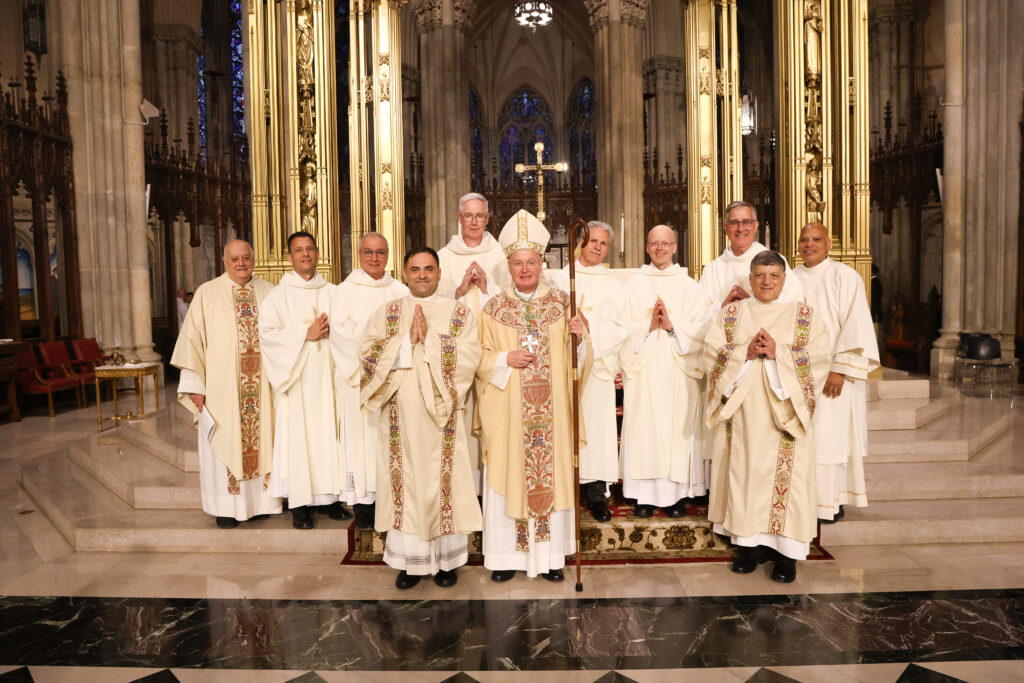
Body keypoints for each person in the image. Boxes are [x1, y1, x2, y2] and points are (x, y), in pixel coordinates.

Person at [476, 209, 592, 582]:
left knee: (550, 476)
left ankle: (551, 557)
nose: (524, 269)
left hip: (551, 417)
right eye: (517, 263)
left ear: (542, 263)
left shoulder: (562, 303)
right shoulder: (493, 309)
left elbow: (580, 361)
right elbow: (475, 357)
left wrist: (581, 336)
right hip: (510, 415)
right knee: (510, 472)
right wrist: (503, 359)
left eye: (531, 262)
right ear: (507, 266)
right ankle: (506, 558)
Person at [359, 247, 483, 590]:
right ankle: (407, 562)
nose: (423, 275)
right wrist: (403, 342)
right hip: (400, 418)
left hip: (442, 419)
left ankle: (447, 562)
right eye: (415, 269)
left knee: (444, 486)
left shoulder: (459, 314)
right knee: (406, 489)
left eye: (429, 269)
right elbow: (367, 354)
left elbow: (470, 356)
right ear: (405, 273)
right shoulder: (387, 313)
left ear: (440, 273)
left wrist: (431, 341)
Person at [703, 250, 830, 582]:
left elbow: (819, 358)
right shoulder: (730, 314)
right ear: (750, 278)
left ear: (784, 279)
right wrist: (743, 352)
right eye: (760, 275)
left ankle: (786, 557)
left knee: (788, 483)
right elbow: (711, 352)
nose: (766, 282)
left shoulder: (803, 316)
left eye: (774, 276)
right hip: (743, 413)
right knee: (745, 476)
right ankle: (749, 548)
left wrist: (780, 354)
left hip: (785, 415)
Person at [171, 240, 281, 528]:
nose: (241, 263)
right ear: (224, 261)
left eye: (246, 258)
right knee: (225, 439)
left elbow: (282, 339)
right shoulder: (207, 294)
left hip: (263, 388)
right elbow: (191, 342)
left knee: (263, 441)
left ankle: (261, 503)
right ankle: (225, 508)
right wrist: (195, 385)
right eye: (235, 259)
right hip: (221, 390)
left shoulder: (269, 293)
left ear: (253, 260)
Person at [619, 225, 713, 518]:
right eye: (654, 243)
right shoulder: (633, 286)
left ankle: (675, 496)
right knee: (644, 427)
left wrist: (672, 326)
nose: (660, 248)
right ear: (647, 247)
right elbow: (620, 331)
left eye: (665, 243)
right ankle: (643, 496)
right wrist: (647, 327)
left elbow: (703, 330)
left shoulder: (690, 287)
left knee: (676, 431)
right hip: (645, 371)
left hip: (678, 371)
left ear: (675, 247)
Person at [258, 231, 348, 529]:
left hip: (330, 378)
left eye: (310, 249)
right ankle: (299, 504)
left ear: (318, 253)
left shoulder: (334, 293)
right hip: (296, 380)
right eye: (299, 250)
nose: (305, 254)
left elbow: (349, 330)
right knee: (299, 441)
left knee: (330, 438)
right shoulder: (277, 297)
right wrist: (304, 335)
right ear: (290, 257)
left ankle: (331, 499)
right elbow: (267, 337)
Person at [794, 223, 879, 523]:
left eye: (816, 239)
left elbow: (854, 325)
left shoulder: (845, 277)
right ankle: (803, 501)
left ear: (829, 244)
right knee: (804, 441)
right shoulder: (790, 279)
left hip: (831, 375)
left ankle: (830, 502)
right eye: (804, 239)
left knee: (829, 440)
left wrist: (840, 369)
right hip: (798, 375)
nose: (809, 244)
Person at [547, 221, 626, 523]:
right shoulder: (558, 279)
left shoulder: (614, 285)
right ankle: (562, 487)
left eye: (603, 243)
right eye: (592, 240)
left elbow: (622, 328)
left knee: (595, 430)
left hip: (597, 365)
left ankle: (595, 492)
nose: (597, 247)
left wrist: (591, 331)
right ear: (580, 241)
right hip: (561, 364)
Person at [331, 233, 408, 530]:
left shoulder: (401, 290)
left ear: (388, 255)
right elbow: (340, 332)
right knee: (362, 441)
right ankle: (365, 506)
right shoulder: (344, 291)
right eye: (368, 252)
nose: (374, 258)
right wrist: (380, 351)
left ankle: (394, 500)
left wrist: (387, 355)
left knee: (392, 440)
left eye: (380, 252)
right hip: (360, 380)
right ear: (359, 254)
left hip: (395, 379)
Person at [437, 192, 511, 494]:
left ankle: (490, 487)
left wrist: (486, 287)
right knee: (460, 414)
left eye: (480, 216)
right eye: (468, 216)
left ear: (488, 219)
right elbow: (432, 302)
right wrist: (459, 290)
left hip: (493, 348)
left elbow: (511, 301)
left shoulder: (500, 256)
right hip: (457, 347)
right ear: (459, 218)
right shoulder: (444, 256)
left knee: (493, 412)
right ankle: (461, 485)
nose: (474, 222)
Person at [700, 201, 804, 308]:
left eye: (746, 222)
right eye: (734, 223)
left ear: (755, 226)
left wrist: (751, 304)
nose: (740, 229)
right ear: (725, 228)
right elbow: (700, 314)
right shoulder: (712, 270)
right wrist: (722, 307)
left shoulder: (775, 262)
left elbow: (794, 304)